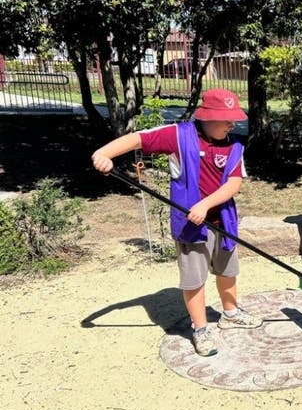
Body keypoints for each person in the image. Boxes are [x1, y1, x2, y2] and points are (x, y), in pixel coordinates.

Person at [91, 88, 260, 357]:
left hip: (223, 222)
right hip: (191, 224)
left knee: (228, 271)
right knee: (194, 279)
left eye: (234, 118)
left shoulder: (234, 145)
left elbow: (234, 183)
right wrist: (104, 153)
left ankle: (230, 313)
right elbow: (138, 139)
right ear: (207, 117)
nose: (232, 123)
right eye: (226, 118)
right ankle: (201, 328)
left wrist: (206, 204)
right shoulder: (179, 136)